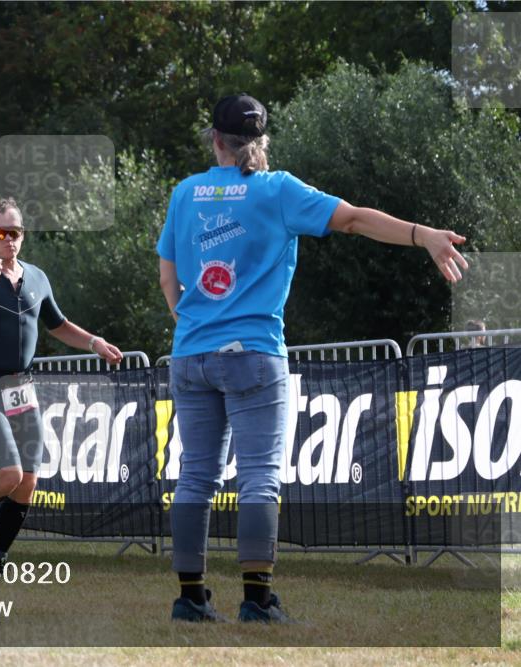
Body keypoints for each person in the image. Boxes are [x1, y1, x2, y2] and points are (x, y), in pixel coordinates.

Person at [157, 94, 468, 624]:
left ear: (215, 140)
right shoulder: (277, 190)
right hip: (253, 353)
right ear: (261, 142)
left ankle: (190, 598)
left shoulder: (185, 193)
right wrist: (423, 236)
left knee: (195, 477)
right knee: (257, 477)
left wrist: (192, 326)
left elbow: (169, 276)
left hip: (191, 353)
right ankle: (256, 600)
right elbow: (355, 220)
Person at [0, 197, 123, 571]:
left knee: (28, 481)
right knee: (9, 473)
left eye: (15, 232)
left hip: (20, 387)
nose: (9, 240)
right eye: (0, 233)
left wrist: (95, 342)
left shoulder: (37, 277)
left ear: (23, 235)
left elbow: (58, 325)